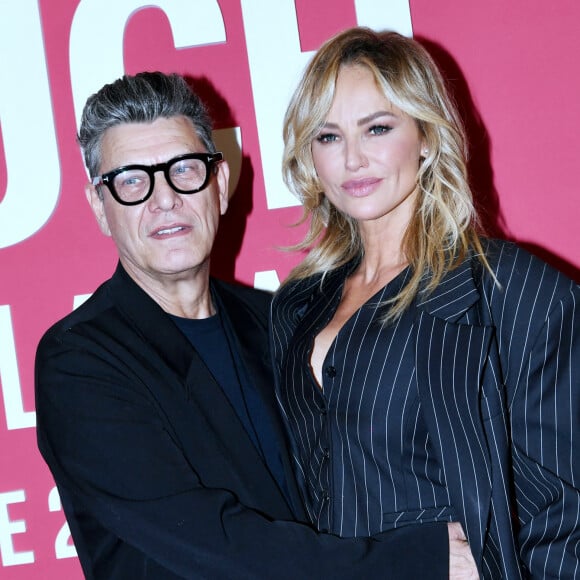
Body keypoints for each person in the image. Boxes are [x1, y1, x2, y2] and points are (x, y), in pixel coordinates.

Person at [34, 71, 460, 579]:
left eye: (184, 170)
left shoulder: (279, 321)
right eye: (130, 181)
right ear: (100, 208)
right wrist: (417, 559)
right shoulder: (80, 361)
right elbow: (212, 544)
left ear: (219, 184)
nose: (164, 198)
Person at [271, 26, 580, 580]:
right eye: (328, 136)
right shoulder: (296, 307)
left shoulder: (510, 289)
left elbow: (564, 514)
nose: (354, 159)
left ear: (428, 137)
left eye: (378, 128)